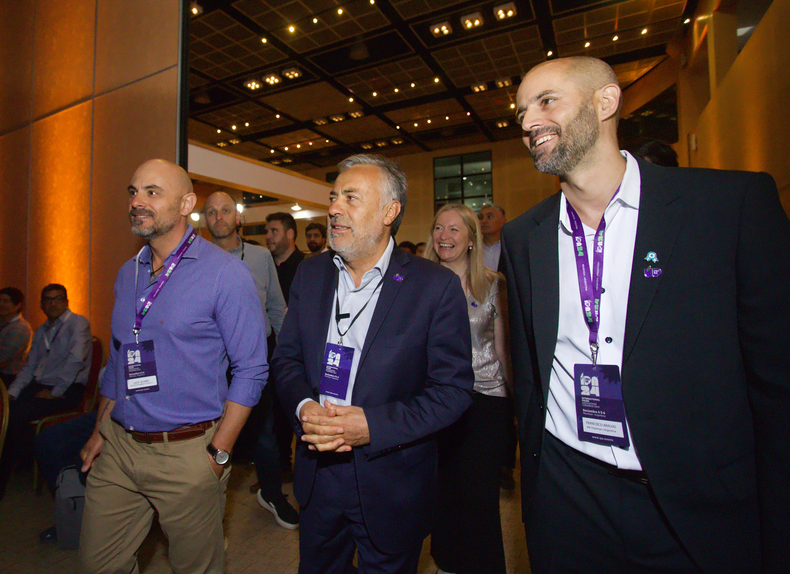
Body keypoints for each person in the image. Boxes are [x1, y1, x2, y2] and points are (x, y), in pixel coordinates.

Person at [503, 56, 790, 574]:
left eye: (546, 102)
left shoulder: (727, 207)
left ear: (606, 102)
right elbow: (529, 376)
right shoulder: (524, 236)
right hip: (568, 499)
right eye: (521, 111)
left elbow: (776, 385)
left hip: (690, 503)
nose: (528, 123)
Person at [272, 154, 474, 574]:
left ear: (390, 211)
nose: (333, 209)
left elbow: (453, 392)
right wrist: (304, 408)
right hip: (317, 470)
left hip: (391, 478)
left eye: (350, 197)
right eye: (333, 197)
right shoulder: (311, 275)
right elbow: (287, 359)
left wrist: (372, 427)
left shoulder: (434, 287)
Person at [77, 159, 268, 574]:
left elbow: (252, 369)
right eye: (133, 191)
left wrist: (219, 453)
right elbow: (118, 358)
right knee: (97, 564)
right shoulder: (128, 273)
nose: (137, 202)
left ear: (185, 203)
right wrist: (99, 430)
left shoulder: (226, 275)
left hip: (187, 452)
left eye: (152, 192)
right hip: (119, 445)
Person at [203, 191, 298, 530]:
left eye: (225, 210)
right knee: (209, 438)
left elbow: (276, 308)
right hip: (208, 366)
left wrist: (287, 356)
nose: (218, 217)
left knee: (266, 436)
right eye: (211, 212)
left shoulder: (259, 257)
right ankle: (208, 513)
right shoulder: (193, 259)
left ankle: (272, 494)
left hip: (254, 363)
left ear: (238, 217)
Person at [425, 204, 511, 574]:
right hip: (434, 402)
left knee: (479, 496)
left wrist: (517, 407)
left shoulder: (494, 284)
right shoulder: (419, 284)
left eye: (454, 229)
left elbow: (503, 348)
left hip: (485, 401)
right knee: (442, 491)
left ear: (472, 239)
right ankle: (446, 564)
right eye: (439, 228)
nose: (444, 236)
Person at [0, 283, 92, 496]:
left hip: (68, 389)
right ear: (41, 305)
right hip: (42, 385)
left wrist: (55, 393)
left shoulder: (78, 324)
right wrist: (11, 393)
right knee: (6, 407)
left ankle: (9, 473)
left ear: (66, 302)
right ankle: (21, 462)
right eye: (48, 299)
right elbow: (30, 366)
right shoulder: (42, 330)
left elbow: (76, 360)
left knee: (16, 415)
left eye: (58, 298)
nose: (53, 303)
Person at [266, 212, 304, 305]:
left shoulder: (305, 266)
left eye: (274, 231)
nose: (268, 236)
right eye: (266, 232)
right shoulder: (264, 266)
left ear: (290, 234)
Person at [0, 286, 33, 387]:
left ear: (17, 305)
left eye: (6, 301)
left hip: (8, 380)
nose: (1, 304)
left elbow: (3, 359)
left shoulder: (20, 328)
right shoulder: (4, 323)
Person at [477, 203, 507, 271]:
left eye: (489, 217)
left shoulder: (510, 248)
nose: (484, 221)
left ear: (503, 221)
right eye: (481, 218)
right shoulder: (473, 249)